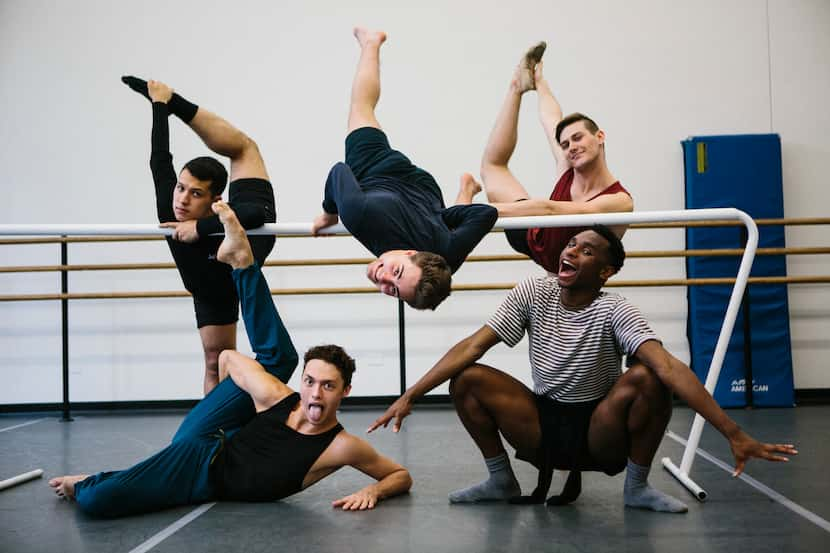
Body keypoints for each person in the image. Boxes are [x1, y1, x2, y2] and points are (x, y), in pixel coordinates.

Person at [369, 225, 797, 513]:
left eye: (587, 250)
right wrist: (410, 395)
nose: (572, 250)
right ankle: (500, 480)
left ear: (605, 271)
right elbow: (472, 345)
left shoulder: (614, 309)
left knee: (650, 375)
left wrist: (732, 431)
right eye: (572, 243)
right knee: (468, 378)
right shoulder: (534, 290)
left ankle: (636, 488)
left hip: (600, 428)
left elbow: (668, 367)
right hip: (542, 421)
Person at [49, 202, 412, 517]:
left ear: (345, 392)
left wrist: (373, 491)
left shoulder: (342, 445)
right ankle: (243, 262)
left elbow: (400, 475)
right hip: (205, 441)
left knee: (98, 498)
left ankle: (241, 262)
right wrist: (221, 403)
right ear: (302, 383)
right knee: (278, 358)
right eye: (310, 382)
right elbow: (227, 357)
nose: (316, 394)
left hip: (202, 474)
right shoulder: (276, 398)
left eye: (328, 386)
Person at [311, 28, 499, 311]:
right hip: (376, 170)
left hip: (424, 190)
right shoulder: (357, 213)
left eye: (395, 291)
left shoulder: (443, 262)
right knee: (361, 107)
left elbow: (485, 214)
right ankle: (372, 42)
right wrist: (329, 212)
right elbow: (339, 171)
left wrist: (436, 216)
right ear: (411, 253)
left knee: (448, 235)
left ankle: (466, 189)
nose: (383, 278)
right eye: (396, 272)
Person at [123, 76, 277, 394]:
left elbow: (254, 215)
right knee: (214, 361)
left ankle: (173, 99)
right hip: (210, 289)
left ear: (214, 200)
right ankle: (212, 432)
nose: (181, 200)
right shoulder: (171, 205)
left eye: (195, 194)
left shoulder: (226, 211)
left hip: (252, 236)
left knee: (245, 148)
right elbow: (159, 159)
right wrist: (158, 107)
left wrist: (201, 227)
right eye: (181, 188)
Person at [457, 42, 633, 275]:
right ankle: (515, 88)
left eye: (578, 138)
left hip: (570, 263)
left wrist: (476, 213)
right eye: (566, 144)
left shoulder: (620, 200)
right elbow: (551, 116)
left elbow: (554, 211)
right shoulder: (567, 167)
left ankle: (469, 196)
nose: (572, 147)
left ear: (600, 136)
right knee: (493, 166)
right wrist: (539, 83)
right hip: (532, 236)